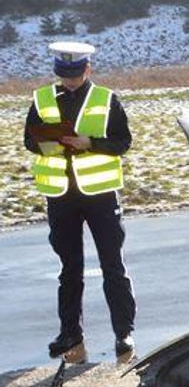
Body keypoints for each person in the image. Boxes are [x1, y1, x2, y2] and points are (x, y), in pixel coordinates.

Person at [24, 42, 136, 364]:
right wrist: (49, 144)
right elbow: (29, 140)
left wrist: (90, 143)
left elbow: (122, 142)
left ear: (87, 70)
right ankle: (70, 332)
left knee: (112, 265)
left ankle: (123, 332)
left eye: (74, 75)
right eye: (64, 75)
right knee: (69, 269)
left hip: (100, 195)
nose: (69, 81)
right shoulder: (43, 99)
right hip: (61, 195)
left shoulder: (106, 99)